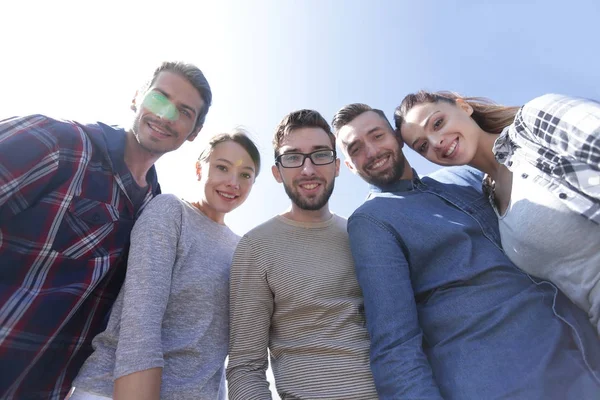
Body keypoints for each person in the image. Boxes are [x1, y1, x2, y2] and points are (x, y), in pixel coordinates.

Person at [332, 103, 600, 399]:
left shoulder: (467, 177)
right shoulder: (373, 220)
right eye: (355, 149)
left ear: (397, 138)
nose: (371, 152)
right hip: (507, 383)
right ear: (349, 166)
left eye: (377, 136)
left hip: (585, 352)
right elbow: (395, 345)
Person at [0, 61, 212, 399]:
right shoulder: (59, 142)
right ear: (136, 98)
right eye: (159, 98)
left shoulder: (157, 215)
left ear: (194, 132)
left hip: (45, 387)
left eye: (184, 112)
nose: (167, 115)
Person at [68, 130, 260, 400]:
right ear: (199, 168)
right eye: (222, 167)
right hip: (114, 390)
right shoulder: (171, 211)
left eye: (245, 175)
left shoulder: (243, 248)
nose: (233, 182)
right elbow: (141, 318)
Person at [395, 92, 600, 334]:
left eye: (437, 123)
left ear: (463, 107)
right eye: (423, 146)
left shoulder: (533, 122)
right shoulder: (491, 198)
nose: (436, 142)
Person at [226, 109, 377, 399]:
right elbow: (246, 366)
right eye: (293, 157)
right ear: (277, 172)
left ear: (336, 165)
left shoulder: (364, 235)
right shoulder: (256, 247)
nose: (308, 169)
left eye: (320, 154)